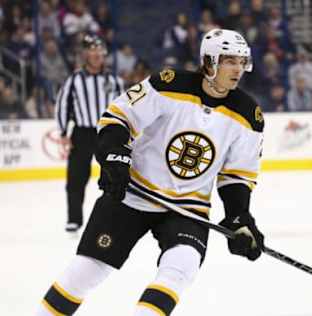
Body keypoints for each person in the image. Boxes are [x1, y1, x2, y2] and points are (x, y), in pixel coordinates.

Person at [36, 28, 265, 316]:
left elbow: (237, 175)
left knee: (182, 267)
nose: (238, 69)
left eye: (242, 62)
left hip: (187, 207)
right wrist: (115, 158)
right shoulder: (167, 84)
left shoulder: (248, 114)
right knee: (86, 272)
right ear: (210, 62)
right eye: (230, 61)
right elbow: (118, 117)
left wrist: (238, 216)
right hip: (133, 191)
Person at [55, 34, 124, 233]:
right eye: (91, 50)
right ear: (85, 54)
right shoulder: (74, 79)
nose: (96, 54)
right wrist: (62, 132)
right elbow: (62, 105)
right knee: (76, 178)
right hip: (82, 133)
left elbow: (125, 106)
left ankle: (113, 217)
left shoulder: (115, 80)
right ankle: (74, 219)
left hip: (108, 132)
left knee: (114, 175)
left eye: (99, 50)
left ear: (104, 53)